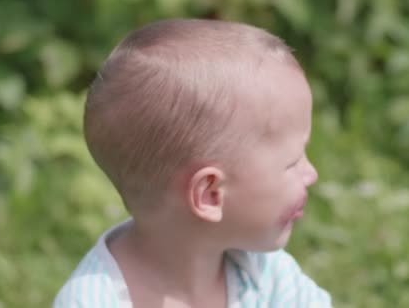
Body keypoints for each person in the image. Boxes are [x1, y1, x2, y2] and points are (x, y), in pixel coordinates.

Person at [54, 19, 333, 307]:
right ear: (210, 194)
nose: (311, 174)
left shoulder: (268, 275)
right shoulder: (92, 301)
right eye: (292, 163)